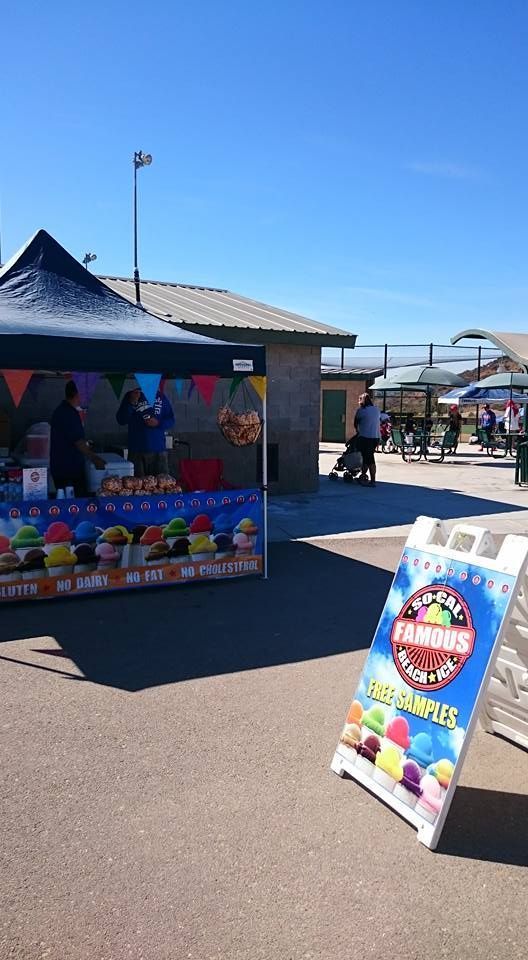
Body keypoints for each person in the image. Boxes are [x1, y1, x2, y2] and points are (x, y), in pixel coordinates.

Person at [50, 380, 105, 496]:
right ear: (77, 394)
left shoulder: (64, 410)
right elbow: (78, 441)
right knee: (74, 503)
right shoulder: (67, 413)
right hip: (68, 469)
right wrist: (94, 458)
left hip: (63, 467)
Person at [116, 387, 175, 477]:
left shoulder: (160, 396)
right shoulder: (131, 395)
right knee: (138, 487)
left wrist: (158, 423)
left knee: (162, 486)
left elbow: (171, 420)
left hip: (158, 451)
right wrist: (131, 403)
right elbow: (121, 420)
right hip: (136, 451)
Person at [354, 392, 381, 487]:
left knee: (369, 459)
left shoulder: (361, 411)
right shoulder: (377, 410)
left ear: (362, 401)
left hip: (365, 437)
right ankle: (363, 475)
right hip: (376, 437)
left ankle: (373, 481)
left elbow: (355, 423)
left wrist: (358, 431)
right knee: (367, 457)